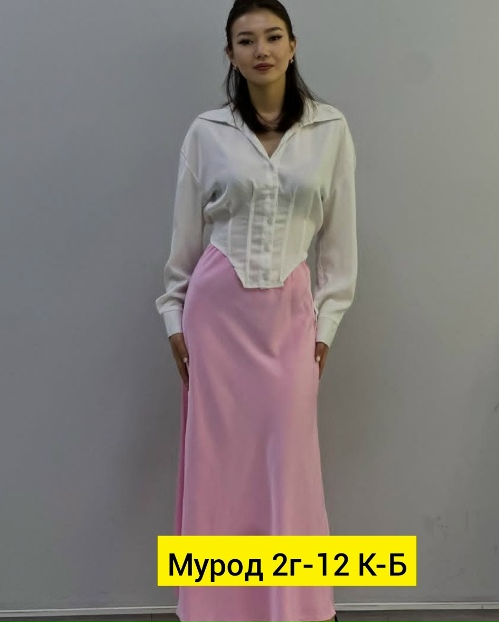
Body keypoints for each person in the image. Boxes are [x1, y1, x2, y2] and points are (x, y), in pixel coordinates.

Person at [155, 1, 357, 620]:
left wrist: (326, 325)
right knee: (218, 470)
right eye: (246, 41)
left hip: (289, 322)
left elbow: (339, 243)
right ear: (231, 54)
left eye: (273, 37)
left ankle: (292, 609)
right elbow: (186, 238)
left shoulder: (330, 130)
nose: (261, 50)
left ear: (293, 45)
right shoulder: (206, 132)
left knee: (288, 468)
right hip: (216, 321)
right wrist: (173, 315)